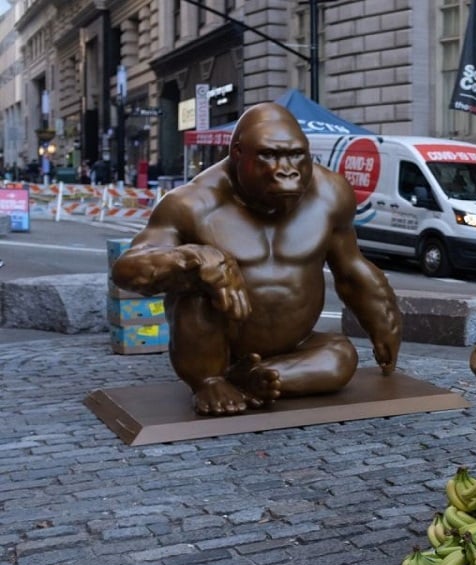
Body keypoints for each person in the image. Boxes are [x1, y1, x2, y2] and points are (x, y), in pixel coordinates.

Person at [111, 103, 402, 416]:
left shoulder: (330, 193)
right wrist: (194, 258)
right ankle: (210, 379)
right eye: (270, 155)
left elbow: (350, 268)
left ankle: (256, 378)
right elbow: (127, 270)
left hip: (296, 346)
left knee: (342, 357)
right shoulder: (191, 203)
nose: (287, 168)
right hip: (218, 346)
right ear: (238, 154)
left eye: (296, 155)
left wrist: (382, 318)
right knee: (197, 290)